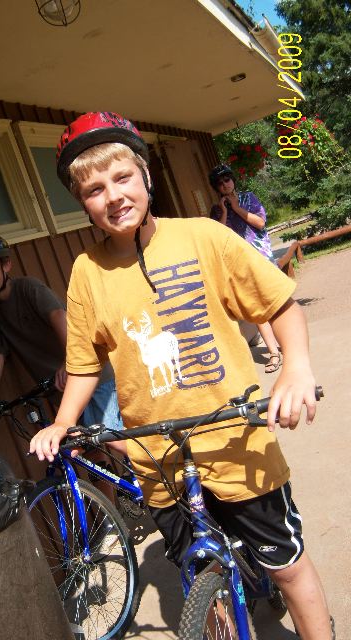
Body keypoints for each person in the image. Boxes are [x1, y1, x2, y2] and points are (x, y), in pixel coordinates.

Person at [29, 111, 333, 639]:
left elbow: (281, 306)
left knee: (286, 567)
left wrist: (296, 368)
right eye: (95, 189)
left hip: (235, 442)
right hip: (159, 460)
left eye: (122, 177)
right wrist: (62, 421)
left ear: (145, 175)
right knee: (198, 572)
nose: (114, 196)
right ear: (82, 203)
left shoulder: (203, 237)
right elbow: (83, 362)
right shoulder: (86, 273)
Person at [0, 232, 124, 502]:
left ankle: (165, 484)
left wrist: (69, 361)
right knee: (92, 451)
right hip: (62, 389)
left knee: (113, 436)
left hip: (90, 377)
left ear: (6, 265)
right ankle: (111, 515)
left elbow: (59, 316)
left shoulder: (28, 288)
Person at [209, 164, 282, 373]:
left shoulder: (249, 198)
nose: (225, 185)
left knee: (275, 304)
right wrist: (225, 211)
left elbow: (260, 222)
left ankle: (287, 344)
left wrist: (237, 208)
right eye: (220, 183)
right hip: (238, 264)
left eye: (227, 179)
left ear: (233, 179)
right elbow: (217, 236)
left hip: (261, 259)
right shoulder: (216, 210)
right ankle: (274, 352)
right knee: (257, 309)